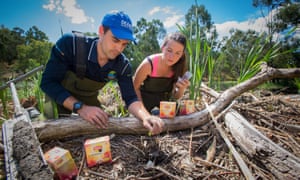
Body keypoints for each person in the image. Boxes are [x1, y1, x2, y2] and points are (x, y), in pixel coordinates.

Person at [40, 10, 163, 135]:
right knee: (50, 134)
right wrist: (81, 108)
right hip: (57, 97)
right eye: (115, 40)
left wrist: (146, 116)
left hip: (88, 98)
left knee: (102, 132)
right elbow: (47, 83)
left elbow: (131, 98)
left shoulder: (123, 65)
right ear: (101, 31)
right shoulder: (70, 44)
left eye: (124, 44)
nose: (119, 49)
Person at [133, 32, 191, 113]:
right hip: (144, 103)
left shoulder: (179, 67)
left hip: (165, 106)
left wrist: (182, 89)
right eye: (169, 50)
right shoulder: (148, 64)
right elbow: (135, 88)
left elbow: (176, 96)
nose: (172, 57)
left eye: (178, 53)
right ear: (163, 47)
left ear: (182, 54)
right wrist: (142, 112)